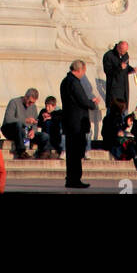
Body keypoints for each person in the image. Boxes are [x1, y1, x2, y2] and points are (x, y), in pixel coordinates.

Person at [60, 60, 93, 188]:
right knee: (75, 152)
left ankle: (71, 178)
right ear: (79, 70)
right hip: (76, 123)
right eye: (84, 71)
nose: (84, 74)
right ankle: (74, 179)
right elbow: (82, 100)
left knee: (72, 152)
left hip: (70, 121)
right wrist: (92, 103)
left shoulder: (66, 81)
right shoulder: (74, 82)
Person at [2, 88, 49, 158]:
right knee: (19, 125)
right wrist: (25, 120)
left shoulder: (33, 107)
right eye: (30, 102)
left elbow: (35, 122)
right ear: (25, 97)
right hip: (12, 129)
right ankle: (21, 151)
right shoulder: (14, 102)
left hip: (27, 132)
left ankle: (42, 153)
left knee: (45, 136)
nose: (31, 104)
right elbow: (8, 119)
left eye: (33, 102)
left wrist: (34, 130)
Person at [102, 40, 137, 113]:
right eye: (122, 51)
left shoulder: (125, 55)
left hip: (124, 89)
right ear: (118, 47)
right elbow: (108, 71)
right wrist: (119, 68)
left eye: (125, 51)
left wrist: (131, 69)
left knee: (124, 114)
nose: (123, 53)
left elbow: (126, 67)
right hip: (114, 90)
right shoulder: (109, 55)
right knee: (112, 114)